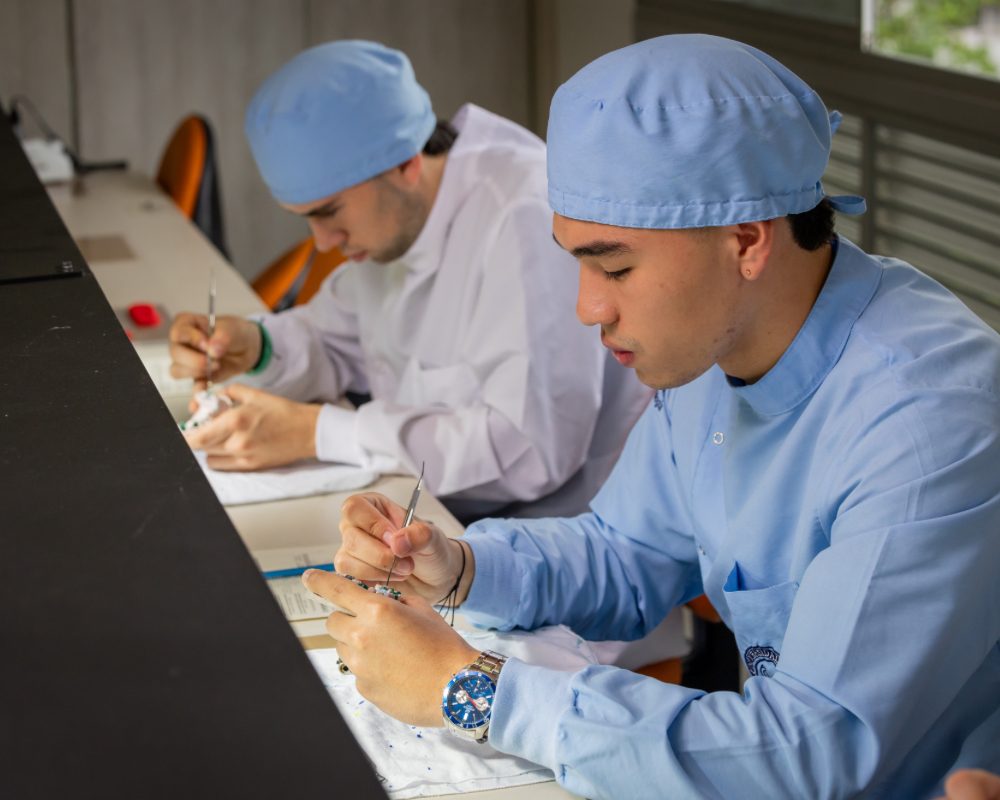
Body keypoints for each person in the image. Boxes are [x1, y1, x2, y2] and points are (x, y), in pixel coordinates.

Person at [304, 34, 1000, 799]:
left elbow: (807, 752)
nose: (587, 308)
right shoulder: (717, 342)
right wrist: (461, 568)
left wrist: (474, 690)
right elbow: (627, 551)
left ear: (745, 241)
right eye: (578, 262)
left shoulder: (925, 424)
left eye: (615, 267)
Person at [168, 40, 650, 520]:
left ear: (405, 163)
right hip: (434, 509)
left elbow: (531, 450)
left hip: (545, 530)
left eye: (329, 212)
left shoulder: (522, 218)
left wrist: (316, 432)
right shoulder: (398, 214)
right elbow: (333, 339)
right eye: (306, 218)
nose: (322, 242)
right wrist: (257, 346)